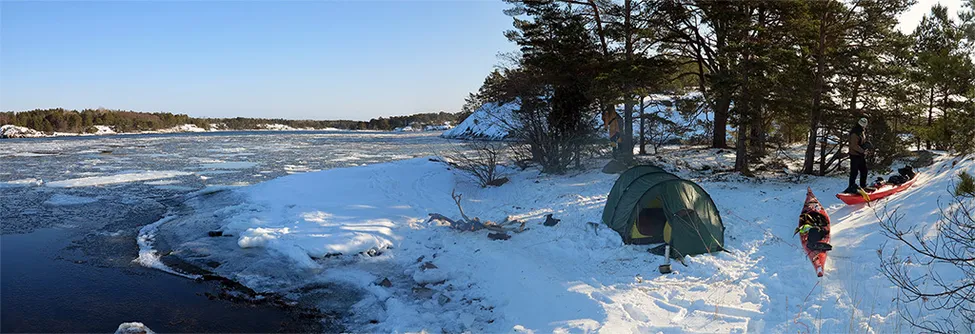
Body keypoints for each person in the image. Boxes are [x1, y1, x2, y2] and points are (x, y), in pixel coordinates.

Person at [845, 118, 871, 194]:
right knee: (854, 172)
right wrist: (863, 151)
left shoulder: (861, 131)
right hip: (855, 155)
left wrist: (866, 145)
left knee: (864, 170)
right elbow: (854, 145)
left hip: (860, 155)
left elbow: (861, 142)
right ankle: (851, 187)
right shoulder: (855, 133)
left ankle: (863, 186)